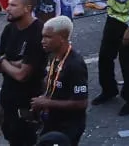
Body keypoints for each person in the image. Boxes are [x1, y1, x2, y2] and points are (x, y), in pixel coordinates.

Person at [0, 0, 47, 146]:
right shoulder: (9, 29)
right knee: (10, 134)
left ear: (27, 8)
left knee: (24, 139)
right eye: (8, 4)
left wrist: (4, 61)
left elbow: (22, 75)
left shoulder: (38, 33)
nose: (7, 8)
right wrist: (10, 63)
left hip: (28, 100)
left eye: (13, 5)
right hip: (7, 96)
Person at [31, 16, 89, 145]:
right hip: (53, 120)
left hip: (68, 126)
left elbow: (81, 103)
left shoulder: (75, 65)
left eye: (48, 37)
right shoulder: (54, 55)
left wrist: (47, 103)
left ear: (62, 38)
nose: (43, 41)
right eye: (43, 36)